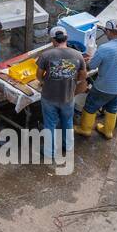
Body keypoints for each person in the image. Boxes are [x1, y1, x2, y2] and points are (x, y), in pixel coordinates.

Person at [77, 19, 117, 140]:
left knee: (91, 105)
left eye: (105, 31)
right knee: (113, 106)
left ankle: (85, 129)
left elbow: (91, 66)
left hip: (105, 87)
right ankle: (107, 132)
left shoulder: (104, 48)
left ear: (108, 31)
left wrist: (84, 62)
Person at [36, 26, 86, 159]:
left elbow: (39, 75)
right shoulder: (77, 55)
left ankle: (49, 152)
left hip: (49, 97)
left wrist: (42, 81)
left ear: (53, 40)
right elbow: (83, 75)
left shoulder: (46, 55)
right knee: (68, 121)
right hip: (68, 97)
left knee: (50, 124)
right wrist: (73, 82)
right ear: (67, 38)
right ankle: (68, 146)